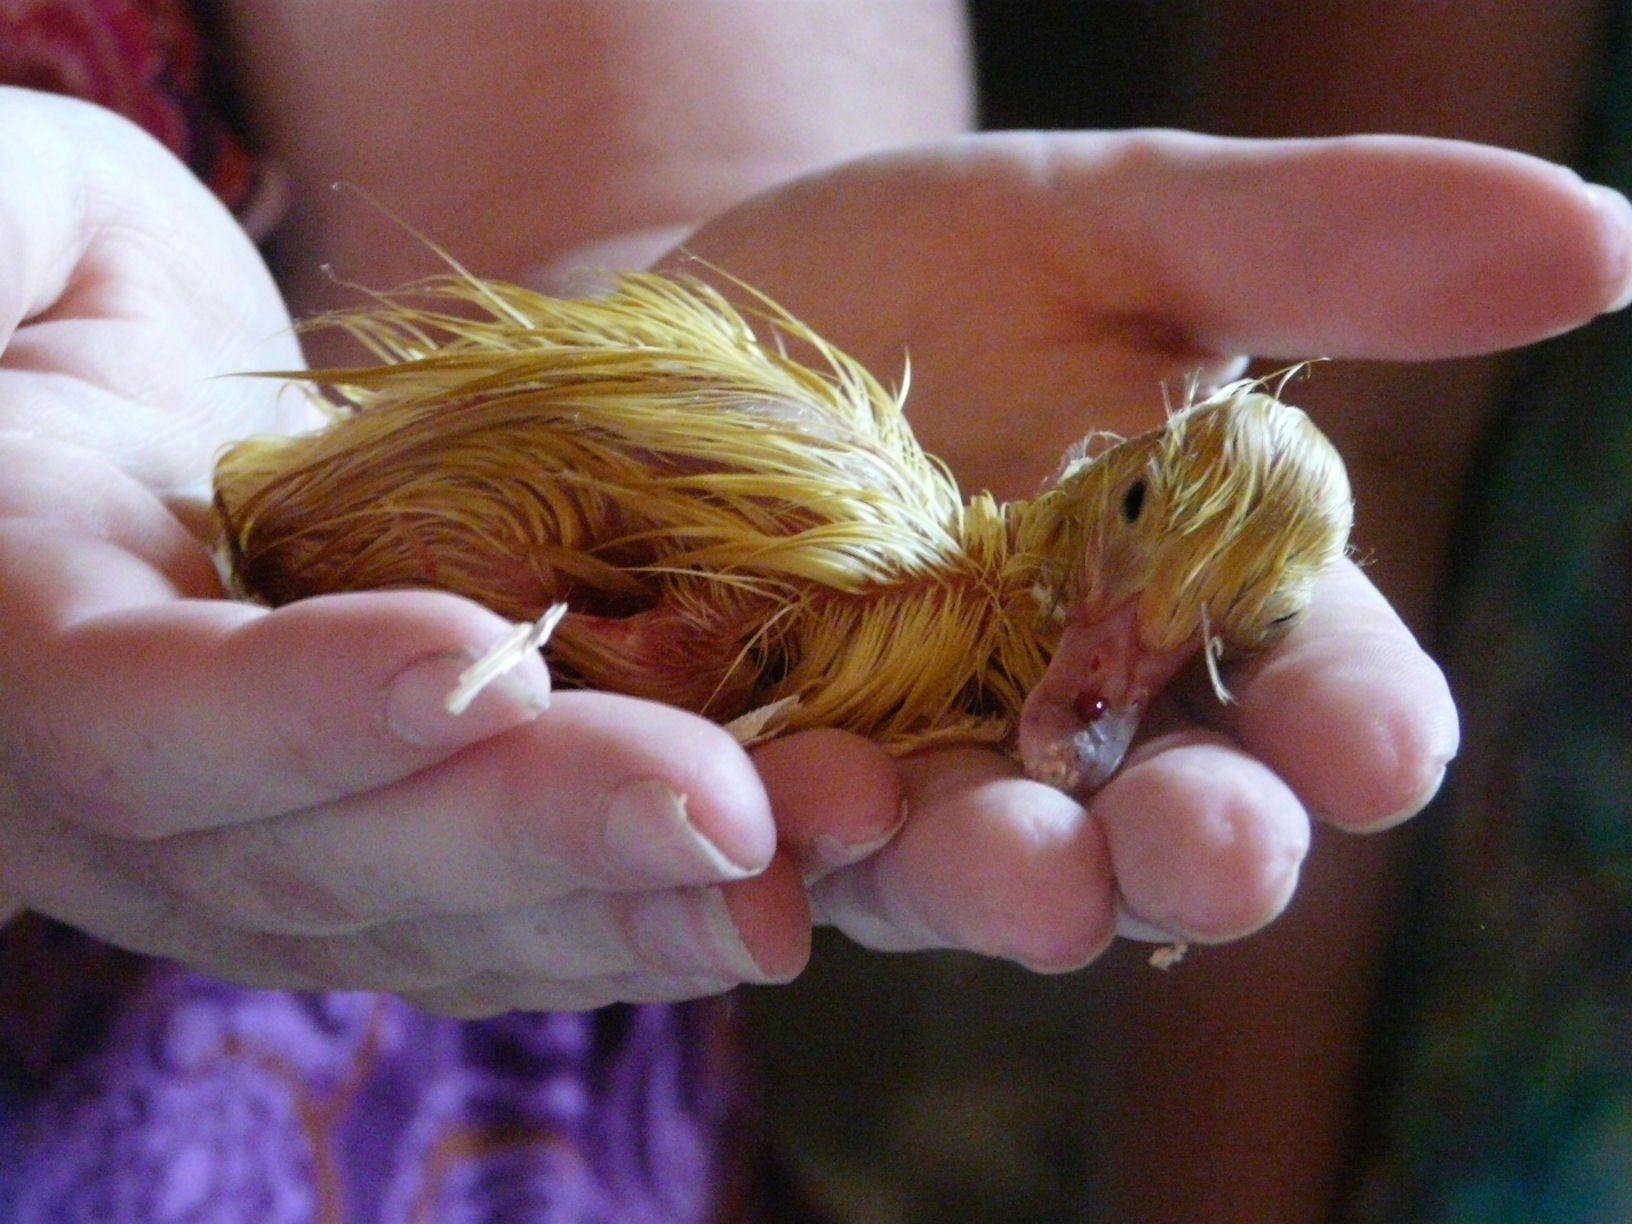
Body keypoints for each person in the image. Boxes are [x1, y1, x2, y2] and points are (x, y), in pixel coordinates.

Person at [0, 2, 1627, 1218]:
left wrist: (641, 247)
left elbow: (607, 147)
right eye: (1141, 534)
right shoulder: (885, 571)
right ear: (1104, 479)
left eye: (1207, 622)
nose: (1122, 663)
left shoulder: (973, 598)